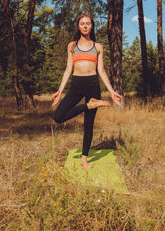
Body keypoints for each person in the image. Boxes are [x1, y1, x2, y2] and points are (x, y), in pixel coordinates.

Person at [51, 13, 122, 169]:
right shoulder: (72, 46)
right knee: (58, 116)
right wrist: (60, 91)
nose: (85, 25)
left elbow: (101, 71)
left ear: (92, 26)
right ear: (78, 26)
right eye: (82, 23)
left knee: (88, 125)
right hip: (76, 86)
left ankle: (84, 159)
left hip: (92, 85)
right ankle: (89, 105)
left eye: (88, 23)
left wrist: (111, 92)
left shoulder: (98, 47)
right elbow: (68, 69)